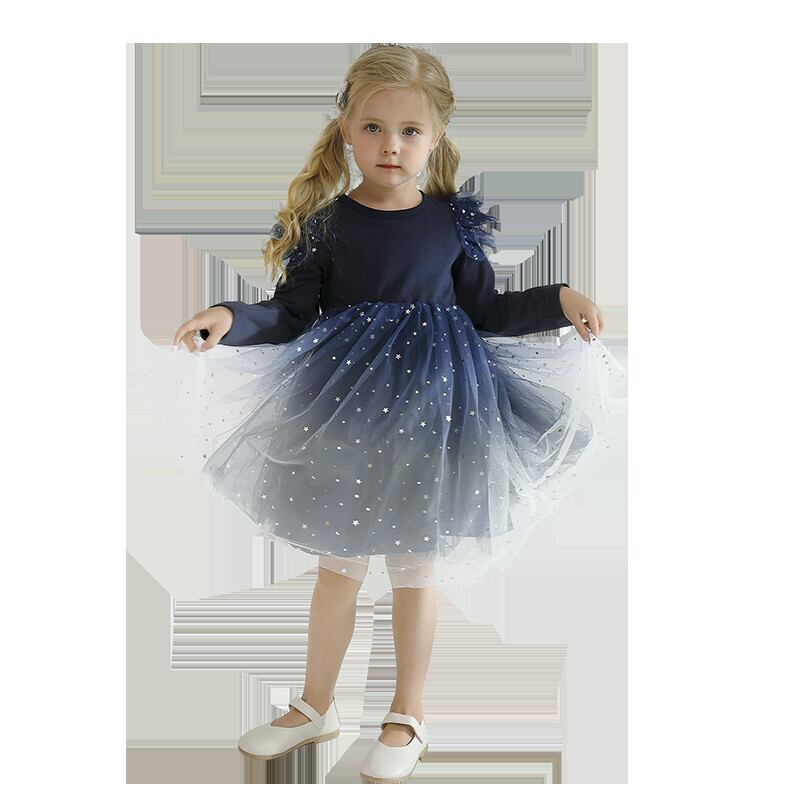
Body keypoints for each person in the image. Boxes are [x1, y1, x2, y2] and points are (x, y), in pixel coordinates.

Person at [170, 45, 624, 782]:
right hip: (345, 406)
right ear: (346, 131)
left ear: (436, 137)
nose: (391, 145)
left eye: (410, 131)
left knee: (415, 569)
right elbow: (290, 314)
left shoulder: (450, 223)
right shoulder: (326, 224)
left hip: (439, 411)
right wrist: (229, 315)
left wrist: (559, 297)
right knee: (338, 567)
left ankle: (406, 714)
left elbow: (485, 310)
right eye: (374, 128)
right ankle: (316, 706)